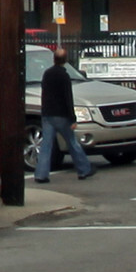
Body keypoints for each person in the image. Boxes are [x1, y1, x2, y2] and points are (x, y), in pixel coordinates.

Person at [33, 49, 95, 183]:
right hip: (62, 115)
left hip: (48, 114)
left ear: (53, 59)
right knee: (72, 143)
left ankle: (41, 175)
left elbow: (44, 93)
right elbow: (68, 97)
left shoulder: (47, 73)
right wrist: (73, 118)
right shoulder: (64, 76)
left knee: (46, 145)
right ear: (65, 60)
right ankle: (84, 170)